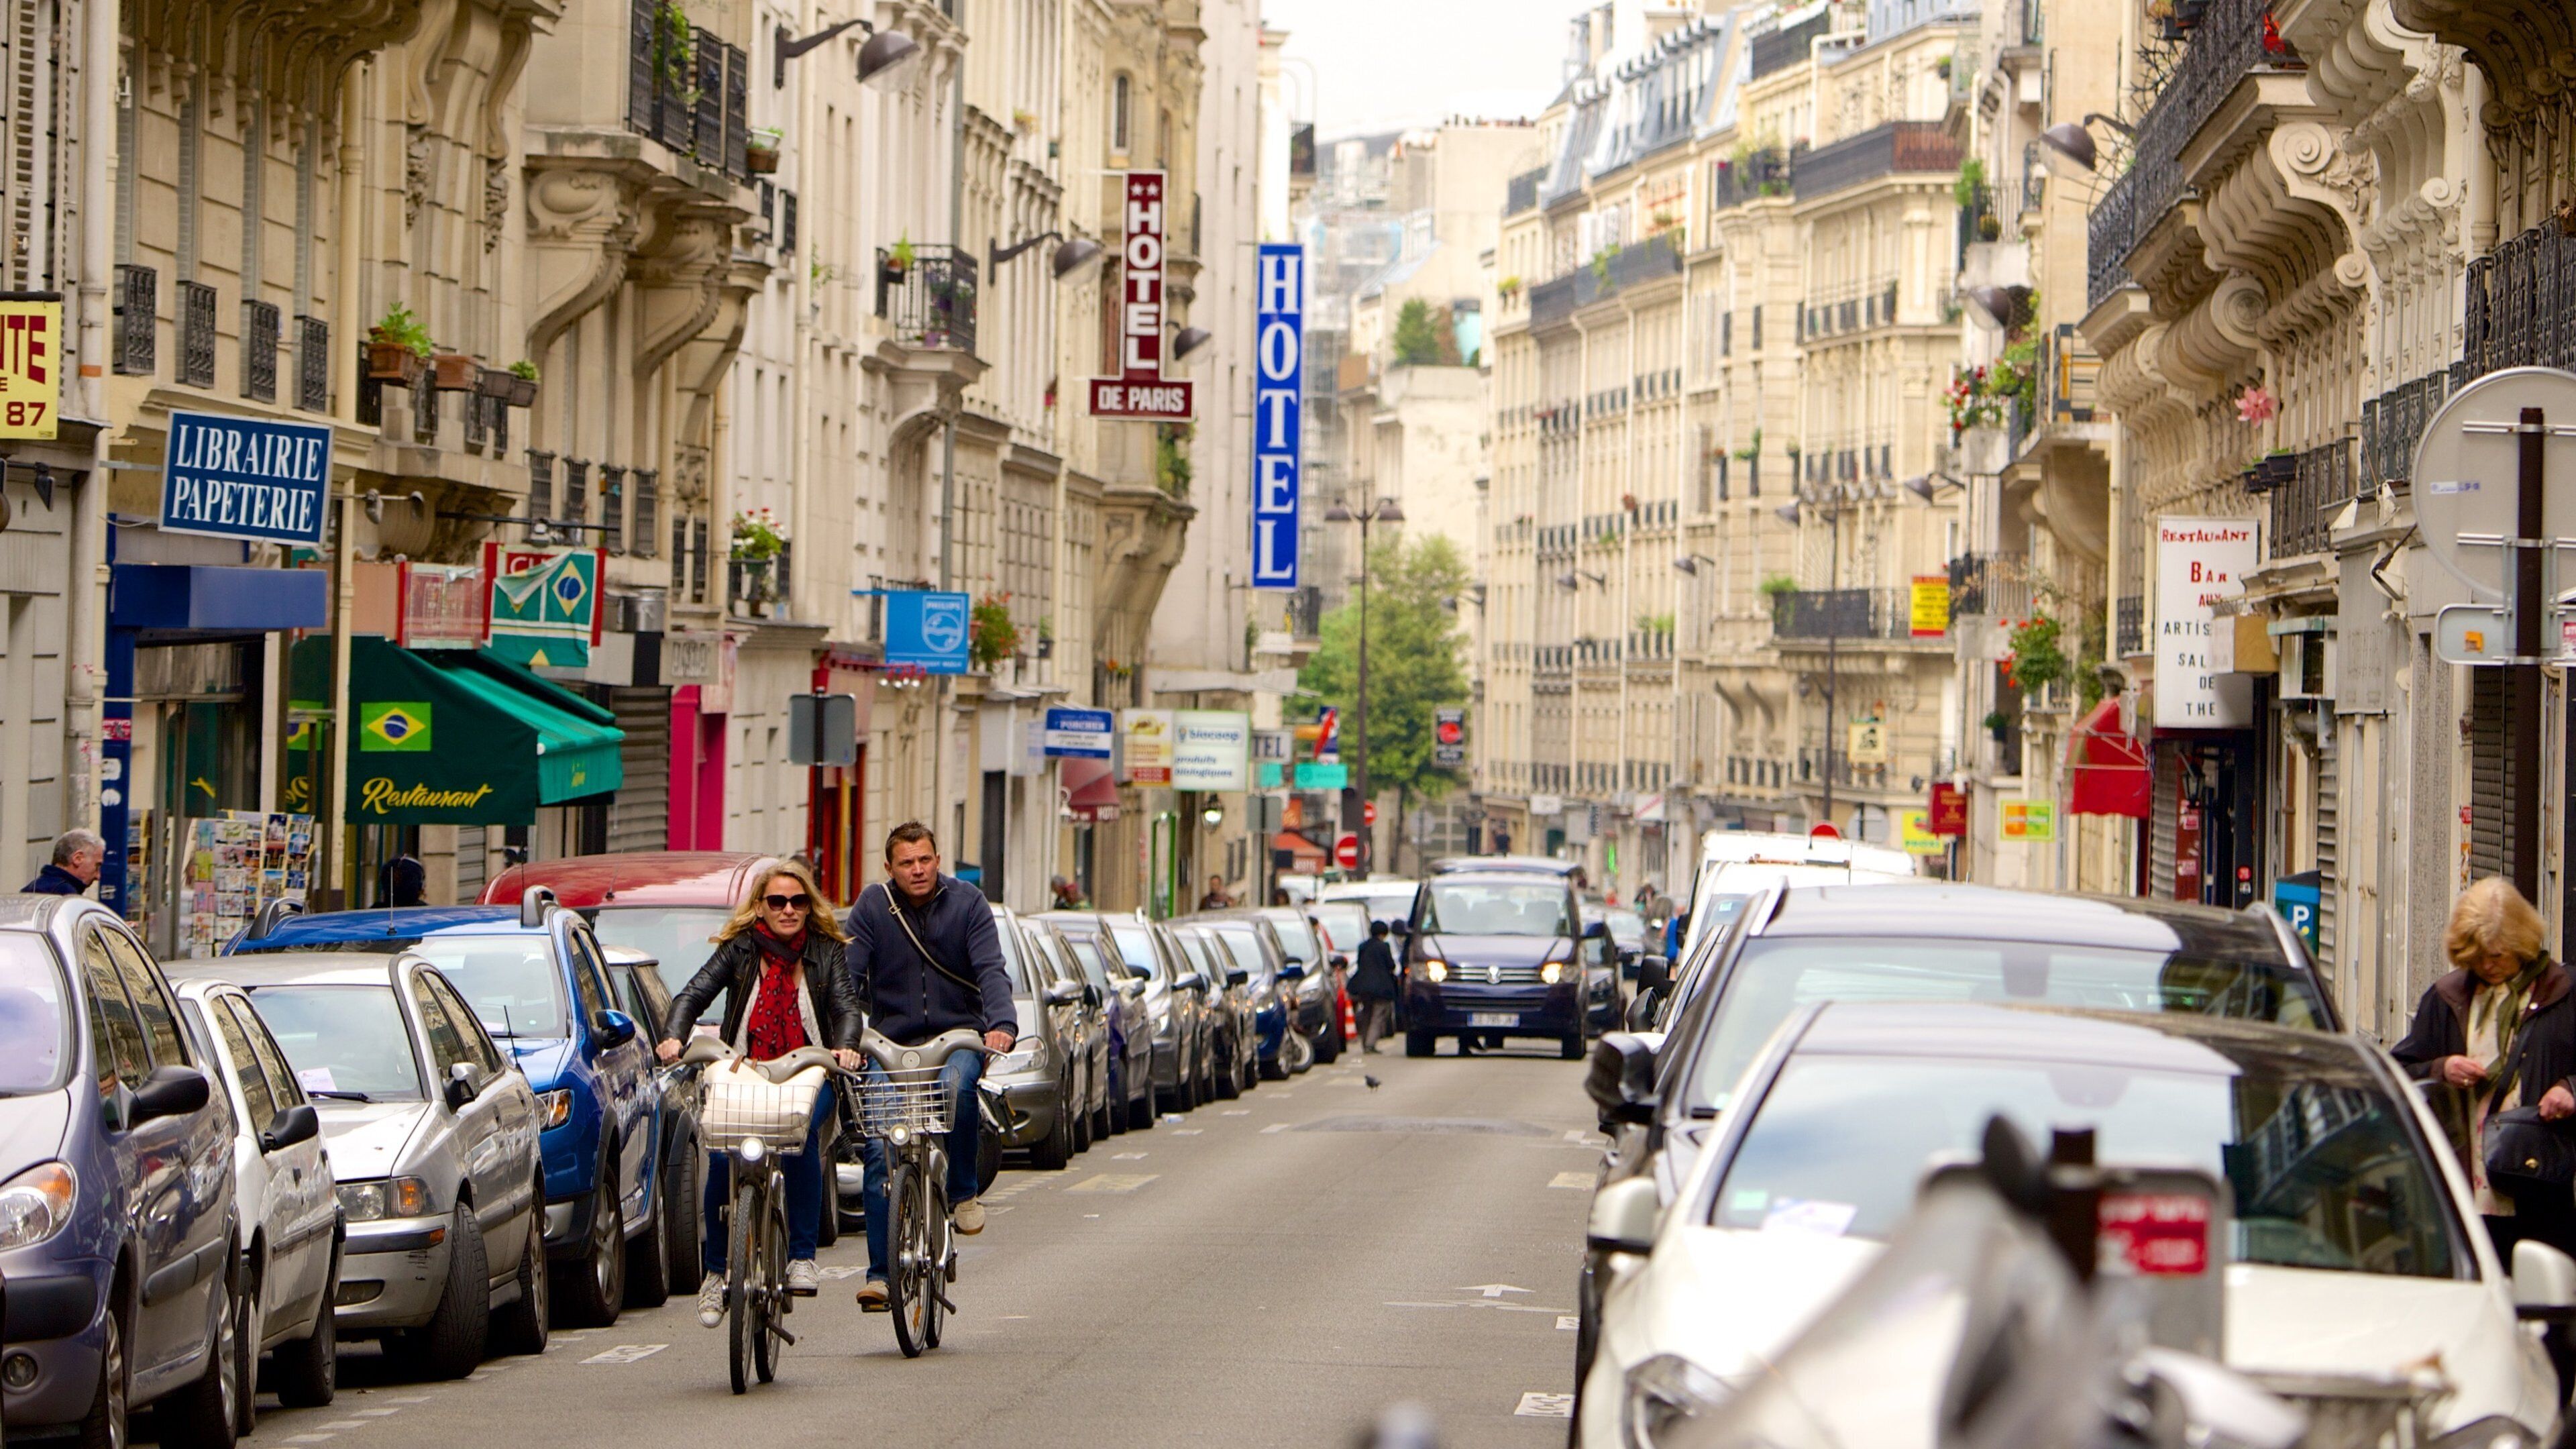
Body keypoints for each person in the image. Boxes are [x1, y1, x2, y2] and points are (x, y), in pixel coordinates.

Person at [660, 859, 865, 1327]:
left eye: (798, 901)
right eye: (778, 902)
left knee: (801, 1140)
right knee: (720, 1155)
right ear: (760, 908)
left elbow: (846, 1007)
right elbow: (692, 995)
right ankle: (715, 1274)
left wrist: (846, 1048)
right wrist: (675, 1036)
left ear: (809, 907)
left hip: (809, 1072)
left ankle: (801, 1257)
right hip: (745, 1073)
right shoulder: (740, 949)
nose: (788, 910)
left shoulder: (826, 951)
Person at [2392, 876, 2576, 1388]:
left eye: (2497, 955)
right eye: (2476, 957)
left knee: (2547, 1315)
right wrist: (2441, 1068)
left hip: (2542, 1191)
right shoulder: (2448, 998)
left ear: (2521, 943)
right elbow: (2398, 1070)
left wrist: (2569, 1090)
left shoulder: (2566, 996)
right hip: (2466, 1189)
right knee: (2477, 1314)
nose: (2487, 967)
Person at [844, 822, 1017, 1309]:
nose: (917, 870)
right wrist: (844, 1038)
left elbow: (990, 969)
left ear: (938, 860)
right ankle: (880, 1274)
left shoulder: (968, 903)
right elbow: (847, 978)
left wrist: (1000, 1024)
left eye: (924, 860)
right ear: (889, 869)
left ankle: (963, 1192)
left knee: (959, 1087)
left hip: (956, 1035)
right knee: (880, 1148)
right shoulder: (872, 908)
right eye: (906, 863)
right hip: (889, 1045)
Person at [1350, 918, 1401, 1053]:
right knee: (1378, 1016)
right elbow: (1391, 965)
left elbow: (1360, 964)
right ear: (1384, 933)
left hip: (1363, 986)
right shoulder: (1384, 947)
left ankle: (1365, 1042)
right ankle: (1370, 1044)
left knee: (1367, 1013)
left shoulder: (1363, 947)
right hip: (1381, 987)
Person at [21, 829, 102, 897]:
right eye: (97, 866)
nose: (98, 876)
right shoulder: (65, 895)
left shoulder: (33, 887)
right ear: (78, 858)